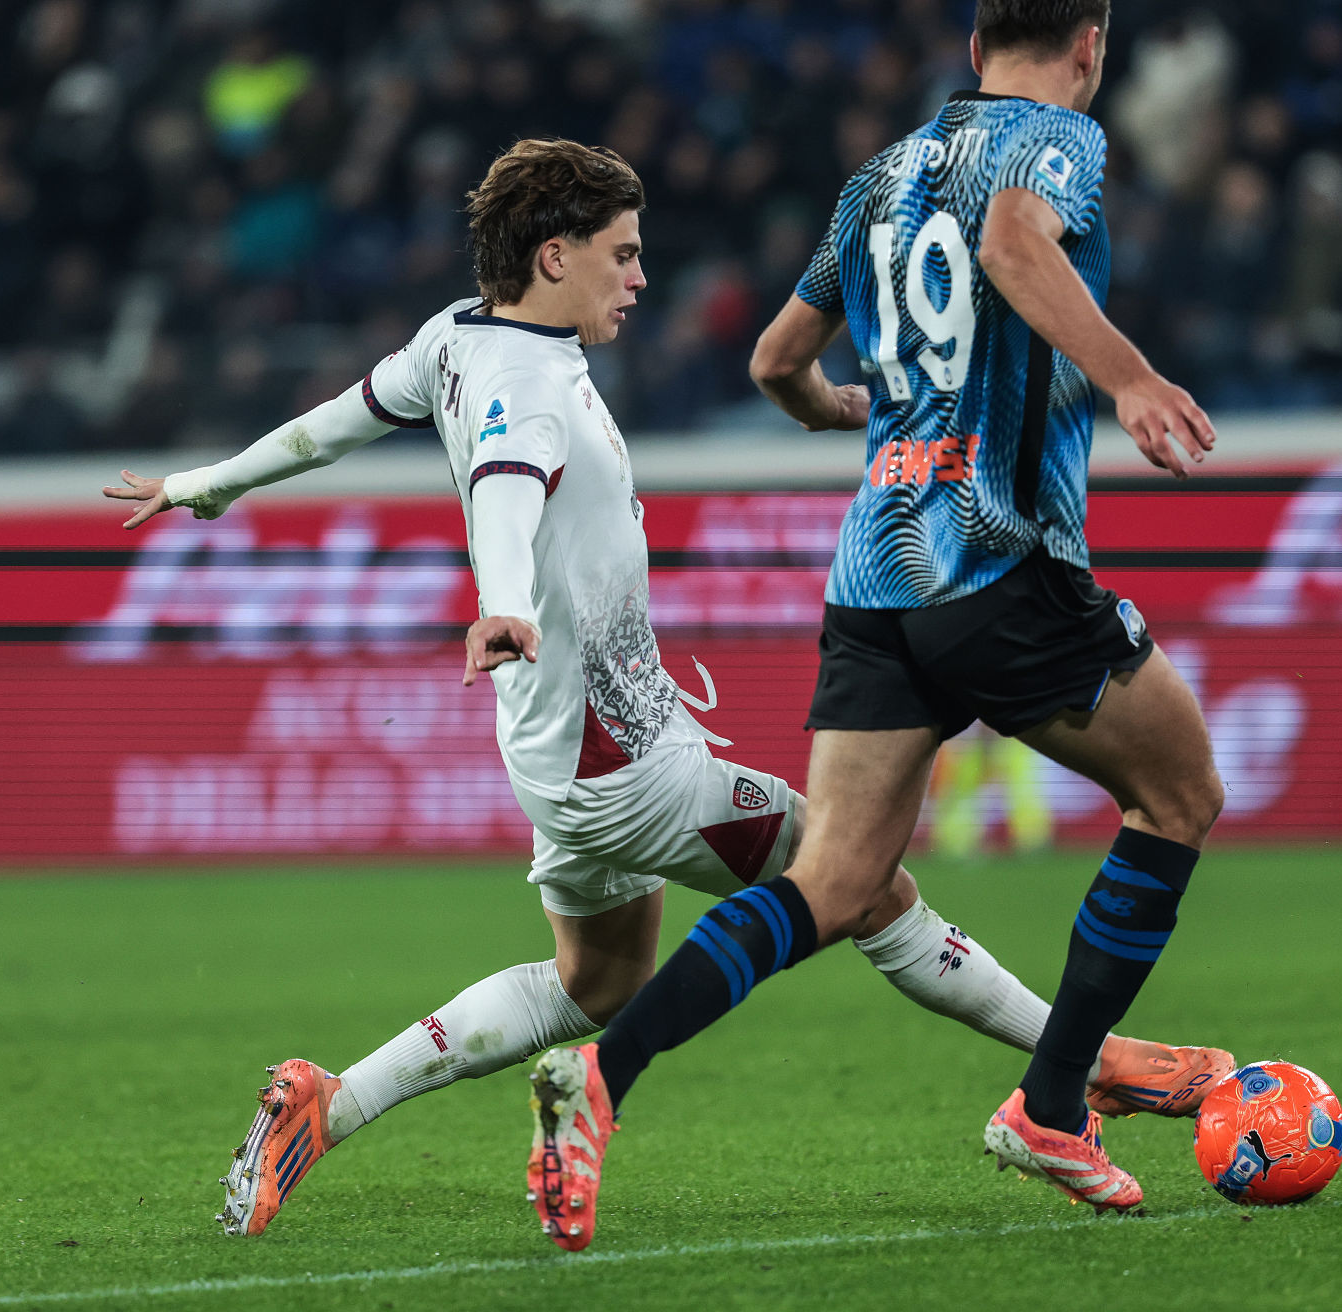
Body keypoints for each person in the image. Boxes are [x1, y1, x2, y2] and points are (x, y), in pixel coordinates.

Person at [103, 137, 1222, 1245]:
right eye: (622, 254)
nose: (640, 278)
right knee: (862, 882)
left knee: (598, 978)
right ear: (553, 257)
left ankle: (326, 1100)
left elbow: (335, 420)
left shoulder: (453, 338)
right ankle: (1081, 1070)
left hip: (556, 757)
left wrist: (205, 485)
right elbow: (504, 486)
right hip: (623, 761)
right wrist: (499, 599)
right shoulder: (524, 387)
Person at [524, 0, 1231, 1239]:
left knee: (836, 881)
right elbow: (1015, 243)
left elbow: (771, 360)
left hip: (872, 581)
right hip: (995, 561)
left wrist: (837, 411)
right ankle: (1050, 1103)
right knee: (1179, 795)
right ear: (1091, 46)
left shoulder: (877, 177)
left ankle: (603, 1072)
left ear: (970, 47)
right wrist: (1127, 375)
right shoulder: (1056, 139)